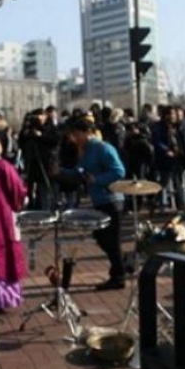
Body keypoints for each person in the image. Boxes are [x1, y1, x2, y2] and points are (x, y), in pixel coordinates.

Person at [64, 118, 127, 291]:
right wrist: (61, 172)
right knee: (101, 237)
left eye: (76, 134)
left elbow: (119, 171)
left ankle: (118, 276)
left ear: (86, 132)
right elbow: (80, 171)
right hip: (99, 200)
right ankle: (122, 263)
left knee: (111, 240)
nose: (74, 139)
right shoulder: (85, 150)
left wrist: (97, 180)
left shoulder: (102, 148)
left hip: (112, 200)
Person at [0, 131, 27, 313]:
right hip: (2, 217)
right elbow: (18, 191)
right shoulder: (2, 166)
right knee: (3, 255)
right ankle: (2, 298)